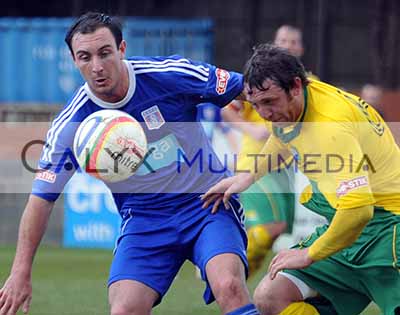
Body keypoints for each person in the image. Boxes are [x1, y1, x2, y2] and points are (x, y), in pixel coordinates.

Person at [0, 12, 260, 315]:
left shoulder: (168, 75)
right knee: (124, 309)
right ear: (73, 60)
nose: (96, 66)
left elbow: (249, 88)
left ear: (122, 49)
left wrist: (300, 108)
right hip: (145, 219)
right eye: (84, 57)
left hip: (207, 203)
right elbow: (41, 200)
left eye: (105, 53)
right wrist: (20, 272)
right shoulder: (72, 124)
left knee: (228, 285)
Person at [202, 44, 400, 315]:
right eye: (257, 105)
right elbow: (282, 136)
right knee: (270, 296)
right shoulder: (298, 102)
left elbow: (358, 212)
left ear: (295, 86)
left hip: (389, 233)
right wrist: (248, 176)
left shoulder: (330, 128)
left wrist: (309, 254)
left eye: (269, 102)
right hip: (348, 229)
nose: (265, 114)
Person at [220, 24, 314, 277]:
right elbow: (227, 111)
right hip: (256, 163)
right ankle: (226, 267)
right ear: (275, 44)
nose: (289, 45)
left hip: (286, 167)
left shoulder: (307, 84)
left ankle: (237, 274)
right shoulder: (259, 79)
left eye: (294, 41)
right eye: (283, 40)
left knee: (279, 231)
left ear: (301, 48)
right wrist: (253, 131)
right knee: (274, 225)